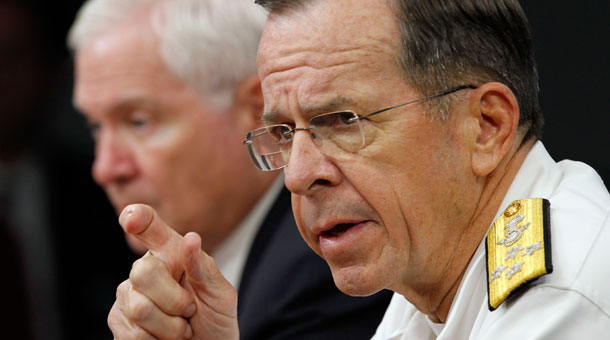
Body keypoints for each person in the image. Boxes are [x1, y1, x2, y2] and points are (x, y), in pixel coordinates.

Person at [107, 0, 610, 339]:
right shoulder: (429, 273)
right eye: (283, 131)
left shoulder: (562, 295)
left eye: (342, 121)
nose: (298, 175)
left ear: (485, 126)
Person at [68, 0, 392, 339]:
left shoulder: (322, 270)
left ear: (257, 109)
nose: (105, 168)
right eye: (95, 127)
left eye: (138, 122)